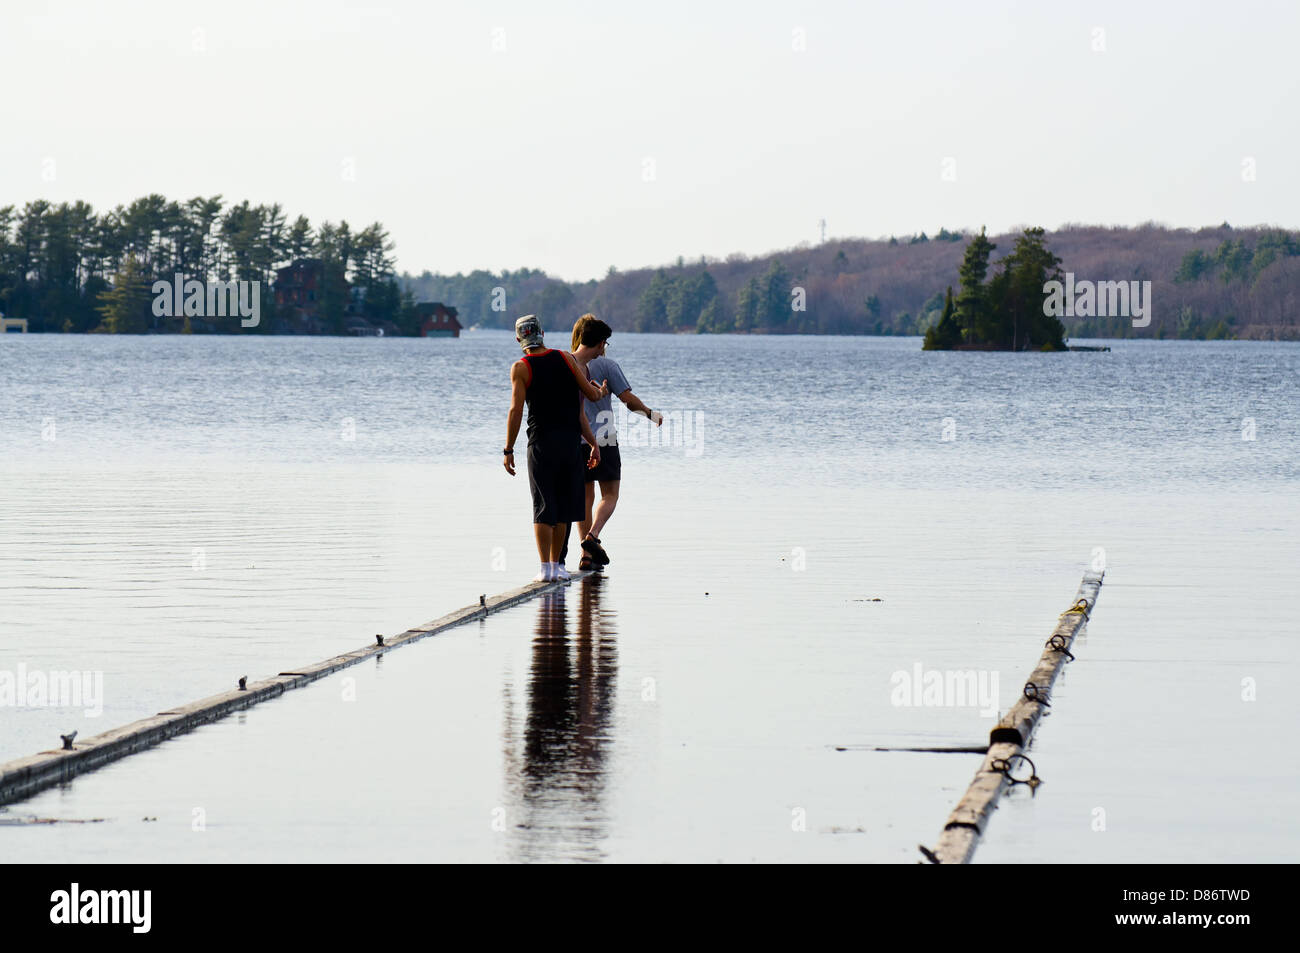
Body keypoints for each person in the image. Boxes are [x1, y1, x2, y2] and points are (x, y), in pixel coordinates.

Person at [504, 314, 608, 583]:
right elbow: (589, 396)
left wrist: (508, 449)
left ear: (519, 339)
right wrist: (601, 391)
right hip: (570, 442)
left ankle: (545, 569)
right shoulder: (566, 358)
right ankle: (558, 567)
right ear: (542, 333)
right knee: (563, 505)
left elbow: (516, 410)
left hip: (540, 443)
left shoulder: (521, 367)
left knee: (543, 504)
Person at [565, 314, 661, 571]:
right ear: (599, 342)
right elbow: (628, 400)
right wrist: (651, 414)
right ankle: (592, 537)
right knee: (610, 495)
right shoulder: (607, 366)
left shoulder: (566, 363)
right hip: (603, 438)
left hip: (575, 439)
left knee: (585, 497)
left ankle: (585, 556)